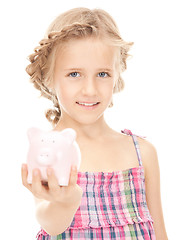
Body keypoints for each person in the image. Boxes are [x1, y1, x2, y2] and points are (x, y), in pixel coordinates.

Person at [21, 7, 168, 240]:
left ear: (117, 75)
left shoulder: (143, 153)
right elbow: (51, 224)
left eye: (102, 74)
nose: (90, 90)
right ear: (49, 77)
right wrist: (66, 201)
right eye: (74, 74)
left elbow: (159, 233)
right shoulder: (48, 152)